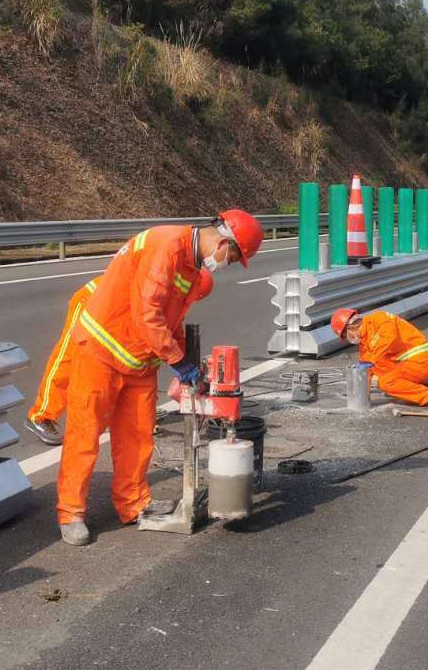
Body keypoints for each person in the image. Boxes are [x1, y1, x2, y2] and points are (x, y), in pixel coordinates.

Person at [54, 210, 264, 546]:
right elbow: (147, 313)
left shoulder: (191, 268)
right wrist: (179, 362)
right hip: (101, 351)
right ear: (225, 241)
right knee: (85, 434)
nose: (227, 263)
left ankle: (132, 504)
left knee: (137, 435)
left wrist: (185, 359)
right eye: (234, 256)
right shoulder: (167, 244)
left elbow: (171, 318)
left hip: (140, 358)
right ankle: (71, 513)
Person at [24, 278, 99, 445]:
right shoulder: (161, 255)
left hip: (121, 306)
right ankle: (41, 415)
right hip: (94, 300)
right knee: (69, 354)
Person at [330, 307, 428, 409]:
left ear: (350, 328)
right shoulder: (364, 344)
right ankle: (419, 385)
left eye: (345, 336)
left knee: (386, 383)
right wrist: (357, 385)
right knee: (378, 375)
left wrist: (372, 362)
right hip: (407, 366)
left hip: (421, 362)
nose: (348, 339)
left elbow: (388, 338)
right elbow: (367, 367)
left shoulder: (379, 318)